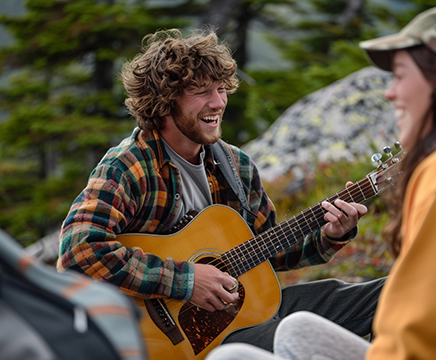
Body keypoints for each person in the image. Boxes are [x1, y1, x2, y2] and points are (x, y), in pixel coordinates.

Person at [205, 3, 436, 360]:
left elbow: (422, 331)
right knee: (298, 330)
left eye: (401, 74)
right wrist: (186, 280)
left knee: (231, 357)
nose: (390, 93)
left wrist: (327, 238)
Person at [57, 27, 385, 357]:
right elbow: (78, 252)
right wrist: (185, 281)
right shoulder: (129, 165)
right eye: (201, 92)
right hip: (180, 343)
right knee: (295, 337)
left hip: (250, 313)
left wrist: (330, 234)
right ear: (164, 100)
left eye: (221, 89)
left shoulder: (235, 164)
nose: (218, 102)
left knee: (391, 295)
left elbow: (269, 249)